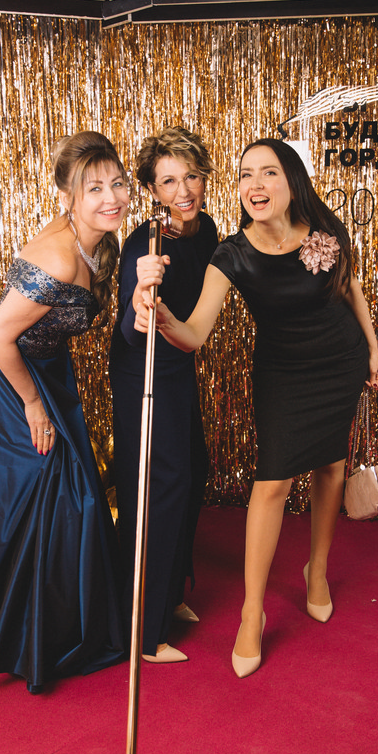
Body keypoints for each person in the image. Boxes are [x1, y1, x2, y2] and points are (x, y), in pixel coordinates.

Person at [136, 138, 378, 677]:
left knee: (331, 466)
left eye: (268, 172)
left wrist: (372, 348)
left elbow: (351, 289)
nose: (255, 184)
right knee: (272, 484)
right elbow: (195, 333)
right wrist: (163, 318)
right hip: (283, 375)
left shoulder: (325, 232)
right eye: (247, 174)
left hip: (338, 362)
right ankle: (253, 613)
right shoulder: (232, 254)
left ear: (291, 180)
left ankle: (317, 570)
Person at [0, 131, 129, 693]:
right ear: (68, 196)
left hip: (44, 366)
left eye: (117, 184)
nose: (111, 197)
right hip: (3, 372)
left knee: (74, 484)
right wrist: (35, 404)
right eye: (94, 188)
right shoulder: (60, 256)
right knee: (45, 483)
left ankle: (62, 620)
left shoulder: (100, 242)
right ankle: (21, 633)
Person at [109, 127, 218, 663]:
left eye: (191, 176)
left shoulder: (208, 229)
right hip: (142, 372)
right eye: (169, 181)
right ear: (153, 190)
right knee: (159, 487)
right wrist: (139, 301)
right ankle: (144, 631)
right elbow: (130, 331)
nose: (183, 190)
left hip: (179, 362)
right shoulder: (145, 245)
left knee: (193, 471)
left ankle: (170, 593)